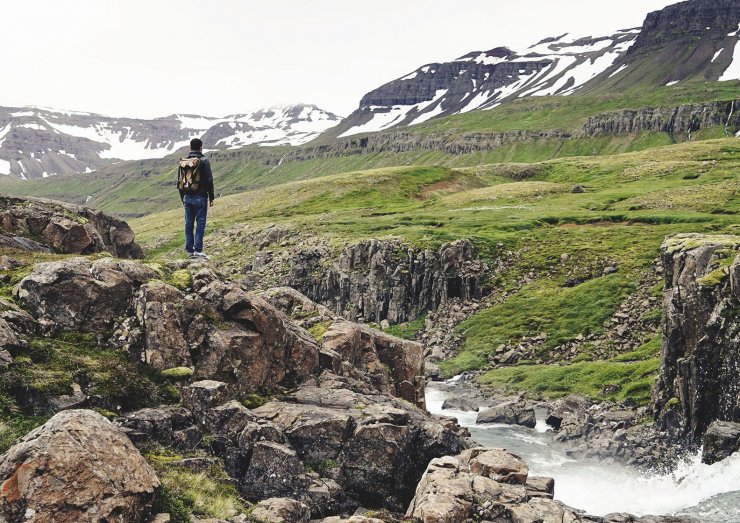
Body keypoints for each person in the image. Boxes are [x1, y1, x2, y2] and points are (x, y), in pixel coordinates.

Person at [179, 138, 214, 259]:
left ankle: (189, 251)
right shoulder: (204, 160)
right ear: (201, 147)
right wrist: (211, 197)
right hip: (200, 196)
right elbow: (209, 180)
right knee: (200, 223)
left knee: (188, 223)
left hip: (187, 197)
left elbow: (180, 181)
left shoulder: (184, 161)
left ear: (190, 147)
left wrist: (183, 197)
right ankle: (198, 250)